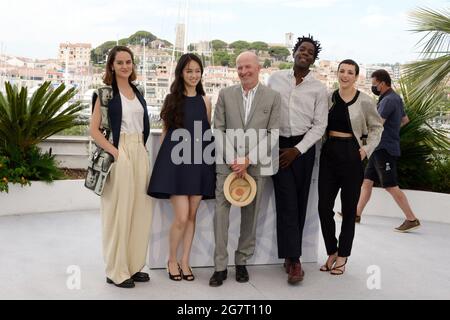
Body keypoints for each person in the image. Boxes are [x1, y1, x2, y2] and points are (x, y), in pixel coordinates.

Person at [209, 51, 280, 287]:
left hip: (256, 167)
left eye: (248, 67)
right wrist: (233, 160)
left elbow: (273, 134)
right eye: (239, 67)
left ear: (258, 68)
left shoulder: (272, 97)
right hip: (227, 167)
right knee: (221, 217)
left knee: (250, 217)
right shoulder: (225, 94)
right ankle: (220, 267)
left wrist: (248, 160)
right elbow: (217, 129)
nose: (243, 72)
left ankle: (241, 262)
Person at [147, 53, 215, 281]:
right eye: (189, 71)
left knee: (192, 215)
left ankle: (186, 261)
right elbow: (166, 134)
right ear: (181, 73)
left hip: (198, 162)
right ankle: (171, 260)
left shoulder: (206, 101)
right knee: (182, 217)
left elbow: (206, 135)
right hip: (176, 164)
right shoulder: (171, 99)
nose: (194, 75)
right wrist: (163, 168)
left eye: (197, 71)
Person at [267, 35, 328, 284]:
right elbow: (266, 110)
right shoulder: (275, 79)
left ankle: (290, 257)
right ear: (294, 52)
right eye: (301, 49)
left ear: (314, 59)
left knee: (300, 202)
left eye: (310, 52)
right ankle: (294, 260)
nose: (305, 53)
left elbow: (320, 125)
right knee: (287, 201)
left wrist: (298, 150)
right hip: (278, 147)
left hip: (302, 149)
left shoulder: (319, 88)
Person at [89, 46, 152, 288]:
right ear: (112, 66)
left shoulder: (138, 91)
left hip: (139, 151)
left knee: (140, 210)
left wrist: (141, 150)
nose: (125, 66)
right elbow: (94, 130)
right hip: (120, 150)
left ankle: (134, 266)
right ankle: (116, 270)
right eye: (120, 62)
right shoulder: (104, 93)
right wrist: (116, 152)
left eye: (129, 62)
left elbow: (143, 124)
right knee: (119, 212)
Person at [318, 59, 383, 275]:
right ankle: (331, 251)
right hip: (329, 155)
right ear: (337, 74)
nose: (345, 75)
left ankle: (343, 256)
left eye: (350, 72)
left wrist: (366, 150)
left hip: (352, 156)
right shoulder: (329, 98)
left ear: (356, 77)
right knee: (323, 207)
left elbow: (376, 128)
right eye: (342, 71)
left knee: (348, 210)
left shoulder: (364, 101)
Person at [356, 69, 420, 232]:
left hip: (384, 148)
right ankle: (356, 214)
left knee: (390, 185)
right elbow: (405, 120)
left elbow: (377, 124)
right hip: (380, 147)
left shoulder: (388, 100)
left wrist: (366, 138)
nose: (373, 87)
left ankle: (411, 219)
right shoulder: (394, 98)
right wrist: (392, 130)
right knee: (367, 182)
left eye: (374, 84)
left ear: (382, 83)